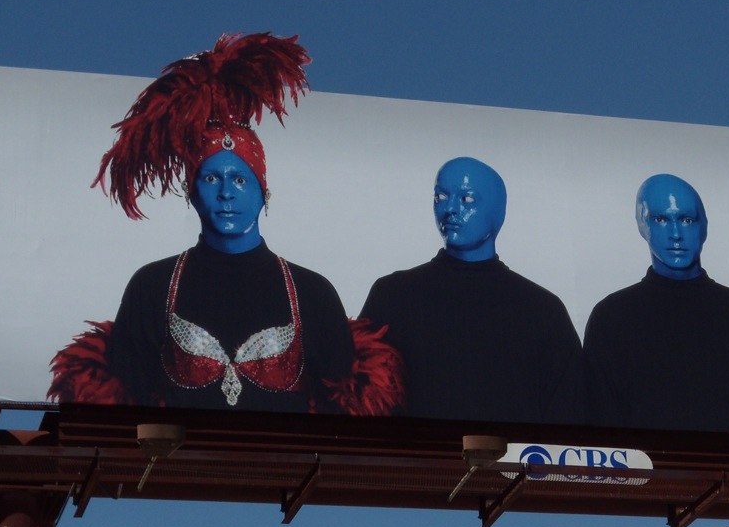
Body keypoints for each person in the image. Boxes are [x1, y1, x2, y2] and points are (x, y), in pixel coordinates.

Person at [50, 33, 396, 414]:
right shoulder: (152, 286)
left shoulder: (312, 292)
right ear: (191, 192)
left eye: (241, 179)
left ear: (264, 192)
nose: (227, 193)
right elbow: (120, 410)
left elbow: (346, 418)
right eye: (212, 178)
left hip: (284, 471)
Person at [358, 157, 583, 424]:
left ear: (498, 211)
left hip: (509, 466)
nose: (449, 209)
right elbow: (360, 402)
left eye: (467, 200)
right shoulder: (392, 296)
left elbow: (568, 423)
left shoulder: (543, 311)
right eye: (440, 196)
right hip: (417, 465)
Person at [583, 174, 729, 436]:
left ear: (705, 226)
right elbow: (599, 438)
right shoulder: (613, 318)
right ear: (641, 225)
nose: (676, 234)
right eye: (660, 219)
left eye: (687, 220)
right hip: (651, 476)